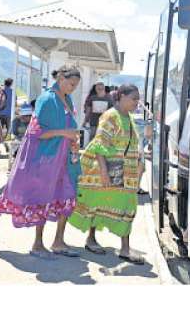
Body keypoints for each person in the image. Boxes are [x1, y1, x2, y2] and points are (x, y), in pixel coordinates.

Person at [0, 66, 82, 259]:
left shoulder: (67, 99)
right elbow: (36, 132)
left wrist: (73, 140)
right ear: (60, 78)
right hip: (46, 158)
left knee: (67, 196)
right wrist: (64, 133)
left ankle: (58, 241)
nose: (73, 88)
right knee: (43, 198)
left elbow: (68, 126)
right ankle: (37, 244)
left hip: (65, 158)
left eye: (75, 85)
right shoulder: (47, 99)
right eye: (71, 83)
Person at [68, 84, 145, 264]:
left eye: (137, 98)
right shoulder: (110, 116)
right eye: (134, 98)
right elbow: (99, 145)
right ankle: (91, 239)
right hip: (109, 171)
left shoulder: (129, 117)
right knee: (97, 204)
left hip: (126, 174)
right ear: (122, 96)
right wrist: (103, 172)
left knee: (128, 207)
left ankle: (125, 248)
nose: (137, 102)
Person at [0, 78, 14, 156]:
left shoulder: (0, 91)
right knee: (7, 133)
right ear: (11, 84)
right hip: (8, 115)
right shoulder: (13, 92)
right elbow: (15, 104)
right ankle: (4, 143)